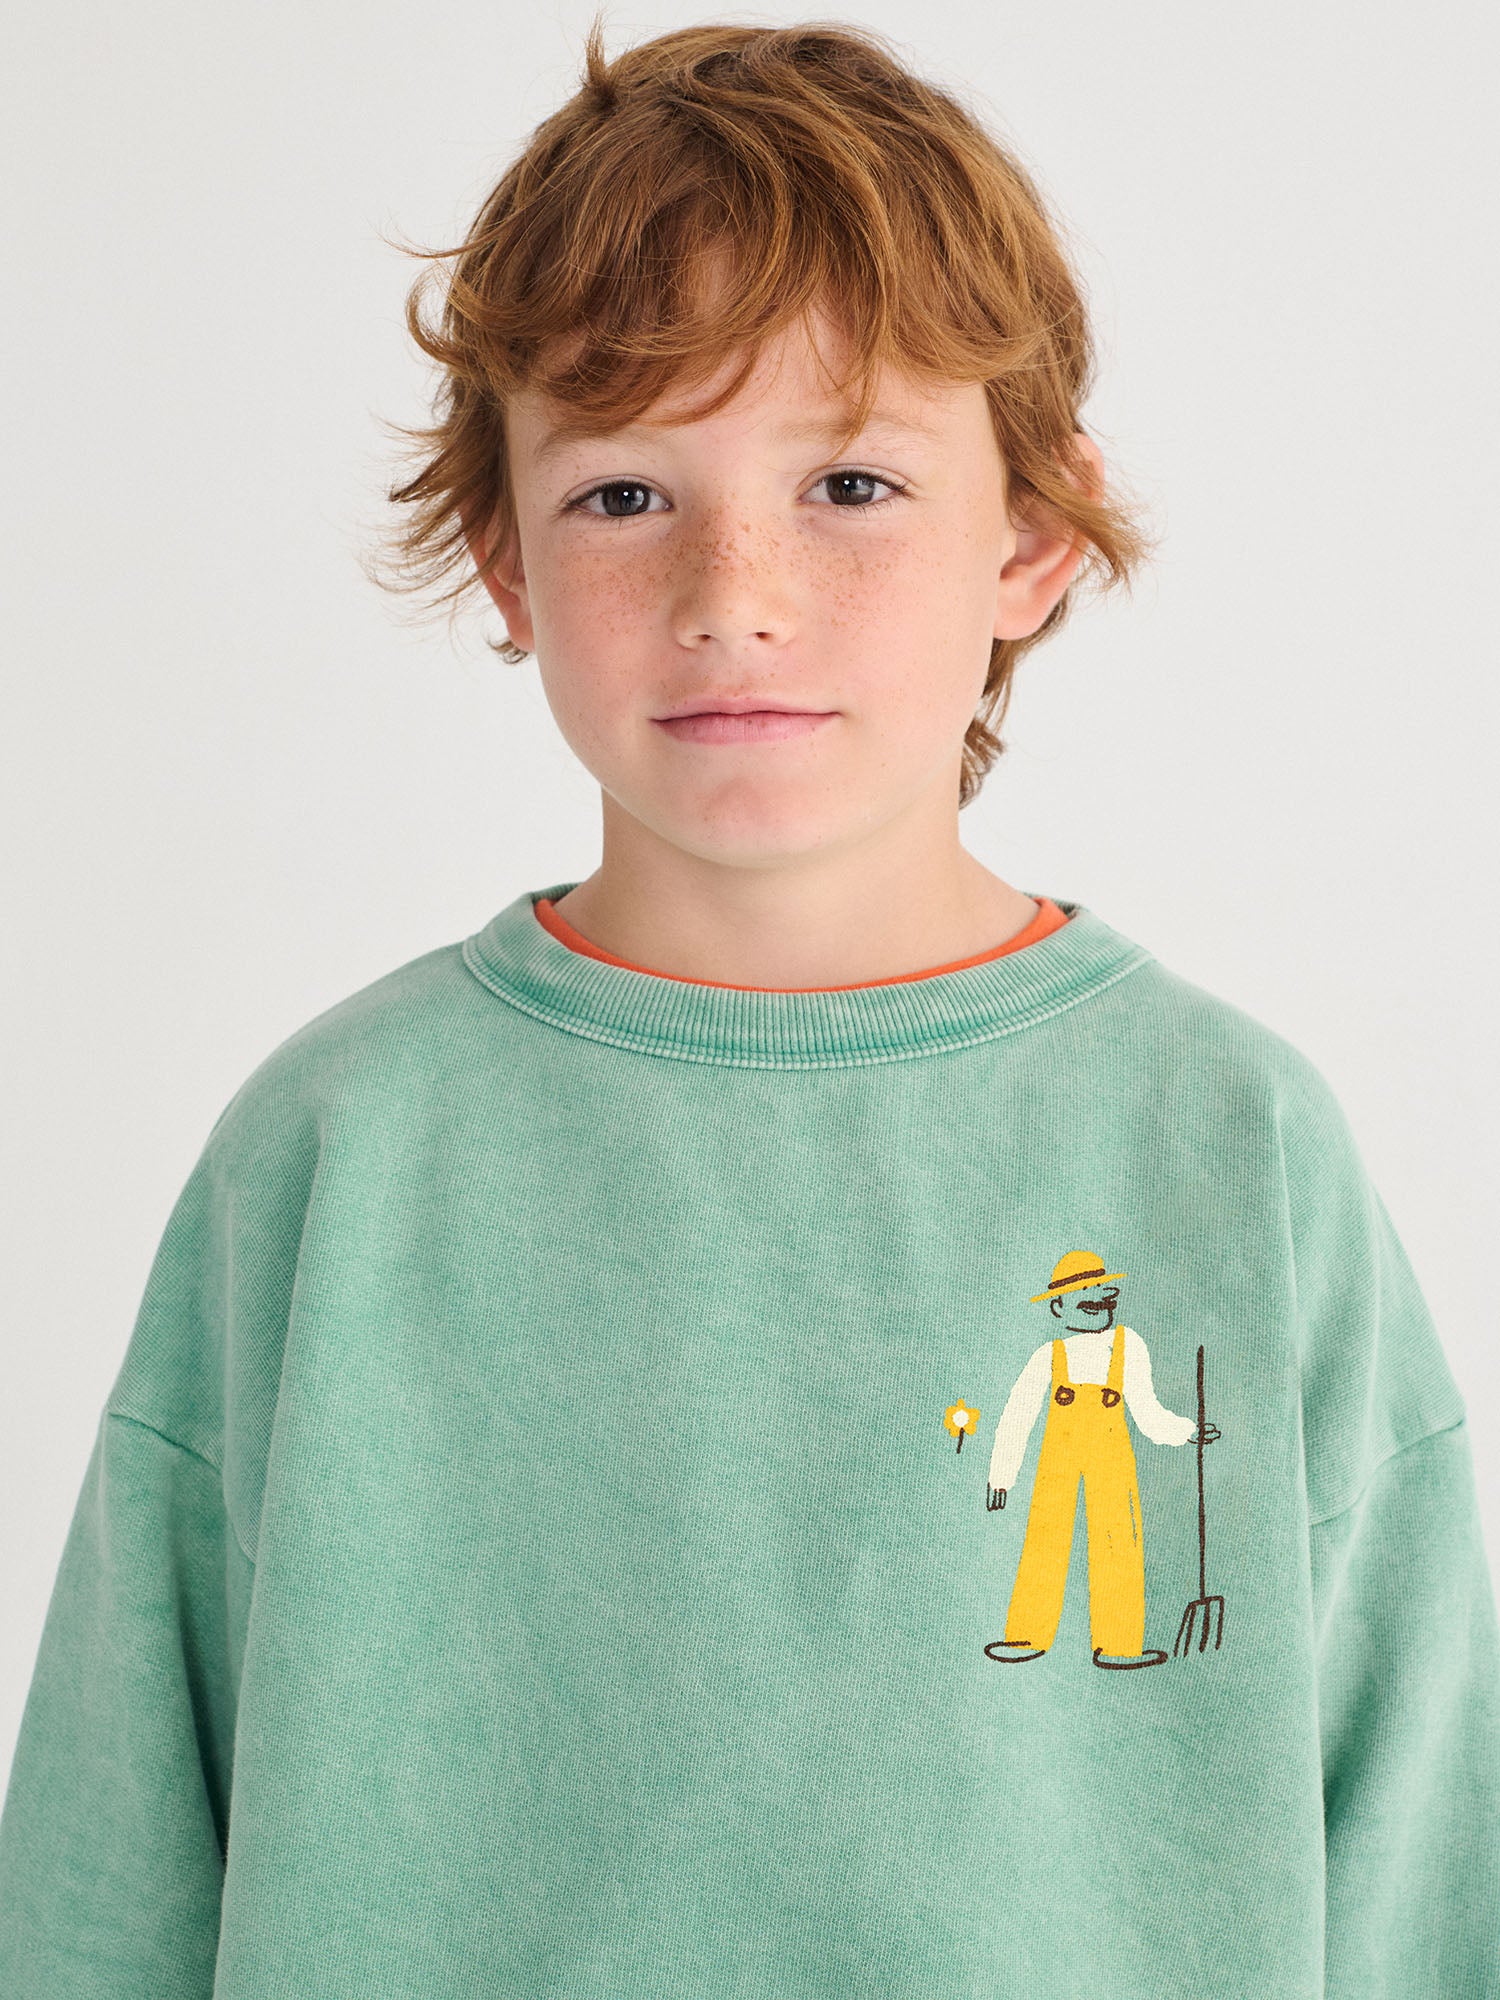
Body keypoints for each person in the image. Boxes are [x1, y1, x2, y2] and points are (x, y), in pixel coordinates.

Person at [2, 15, 1497, 1997]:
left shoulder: (1236, 1143)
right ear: (503, 556)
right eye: (625, 494)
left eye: (852, 481)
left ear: (1032, 535)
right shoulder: (336, 1150)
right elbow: (108, 1867)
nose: (737, 591)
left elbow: (1423, 1857)